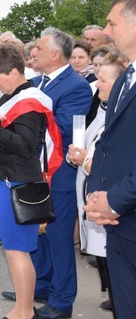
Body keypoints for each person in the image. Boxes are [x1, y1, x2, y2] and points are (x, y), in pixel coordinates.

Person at [0, 43, 63, 319]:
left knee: (17, 251)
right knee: (15, 250)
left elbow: (24, 146)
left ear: (14, 72)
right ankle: (22, 309)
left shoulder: (29, 102)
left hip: (17, 183)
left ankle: (24, 312)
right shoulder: (15, 95)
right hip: (7, 180)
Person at [13, 28, 92, 319]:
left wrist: (21, 120)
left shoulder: (76, 86)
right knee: (39, 232)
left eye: (40, 49)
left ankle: (62, 301)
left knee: (58, 237)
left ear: (56, 54)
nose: (35, 53)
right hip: (36, 170)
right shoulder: (38, 82)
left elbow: (63, 128)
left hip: (59, 172)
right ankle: (43, 284)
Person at [84, 0, 136, 317]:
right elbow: (106, 144)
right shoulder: (124, 79)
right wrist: (95, 196)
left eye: (112, 22)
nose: (105, 30)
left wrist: (114, 200)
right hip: (117, 221)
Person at [68, 53, 123, 313]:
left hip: (113, 203)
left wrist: (85, 161)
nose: (96, 83)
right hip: (95, 198)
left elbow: (115, 162)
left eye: (102, 78)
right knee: (108, 263)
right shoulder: (104, 108)